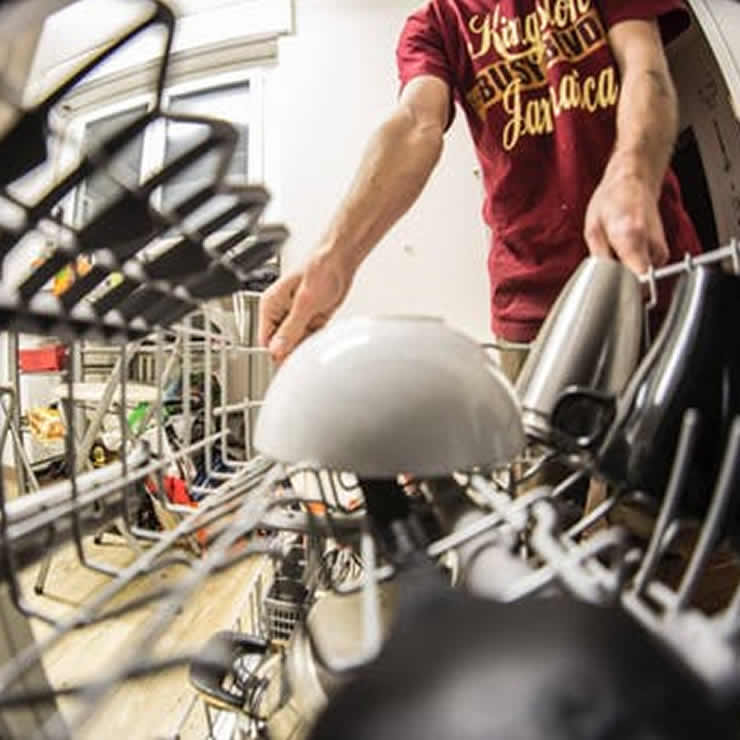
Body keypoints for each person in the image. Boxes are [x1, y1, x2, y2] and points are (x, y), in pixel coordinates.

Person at [258, 0, 702, 372]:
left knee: (687, 469)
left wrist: (630, 173)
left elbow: (646, 67)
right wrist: (334, 258)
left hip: (653, 270)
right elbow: (416, 124)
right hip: (529, 311)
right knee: (543, 477)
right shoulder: (434, 25)